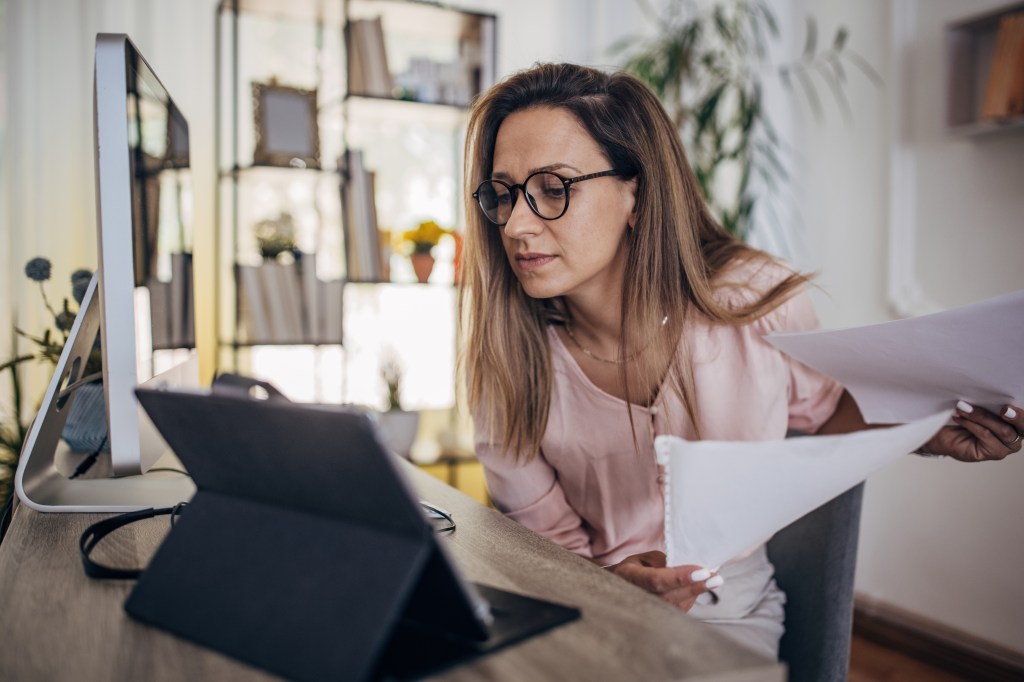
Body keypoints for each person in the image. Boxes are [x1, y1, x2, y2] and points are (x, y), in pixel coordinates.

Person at [457, 62, 1022, 657]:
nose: (517, 224)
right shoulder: (508, 360)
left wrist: (932, 429)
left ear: (638, 193)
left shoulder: (753, 303)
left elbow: (825, 414)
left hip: (729, 613)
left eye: (554, 187)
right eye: (503, 194)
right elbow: (546, 555)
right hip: (578, 615)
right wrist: (610, 586)